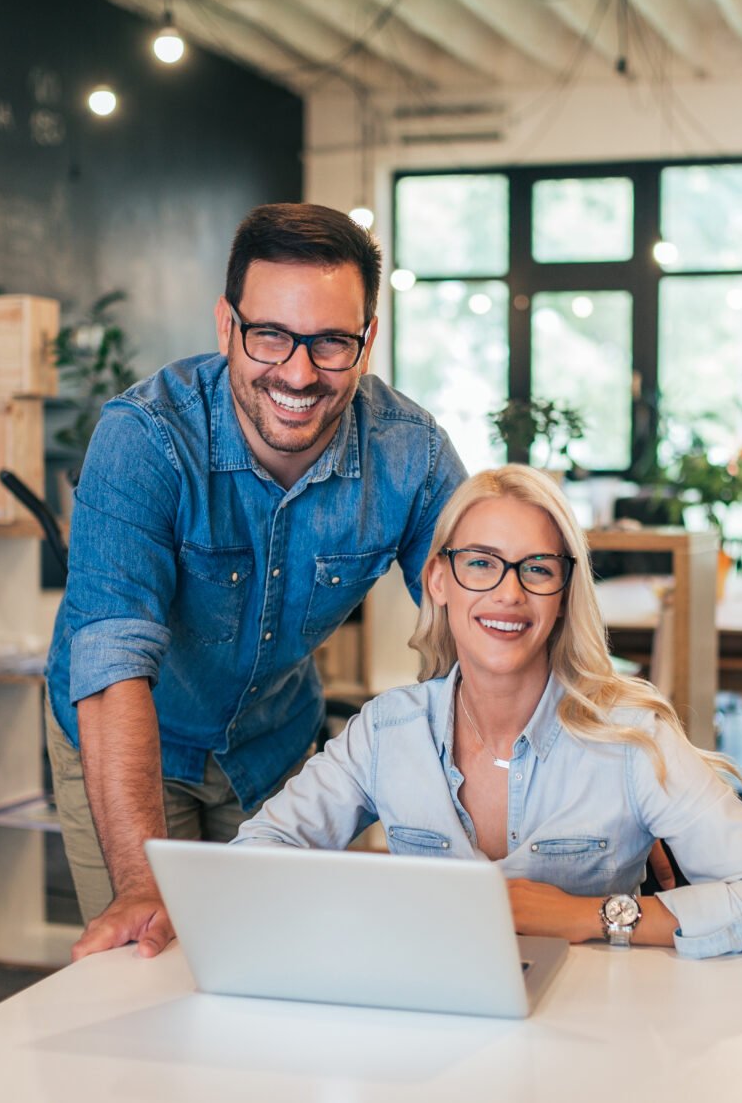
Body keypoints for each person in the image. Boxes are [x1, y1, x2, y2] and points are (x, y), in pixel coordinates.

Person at [47, 203, 467, 961]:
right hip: (134, 736)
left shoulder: (410, 455)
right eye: (269, 335)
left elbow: (487, 619)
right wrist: (144, 884)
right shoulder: (144, 439)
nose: (298, 374)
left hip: (274, 743)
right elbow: (112, 669)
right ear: (226, 327)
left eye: (332, 342)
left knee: (282, 968)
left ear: (367, 341)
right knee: (158, 970)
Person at [235, 466, 742, 957]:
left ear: (565, 595)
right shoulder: (387, 732)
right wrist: (385, 900)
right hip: (431, 1037)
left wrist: (589, 916)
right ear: (438, 580)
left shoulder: (631, 740)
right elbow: (253, 860)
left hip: (589, 1040)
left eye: (537, 569)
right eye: (481, 563)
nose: (509, 593)